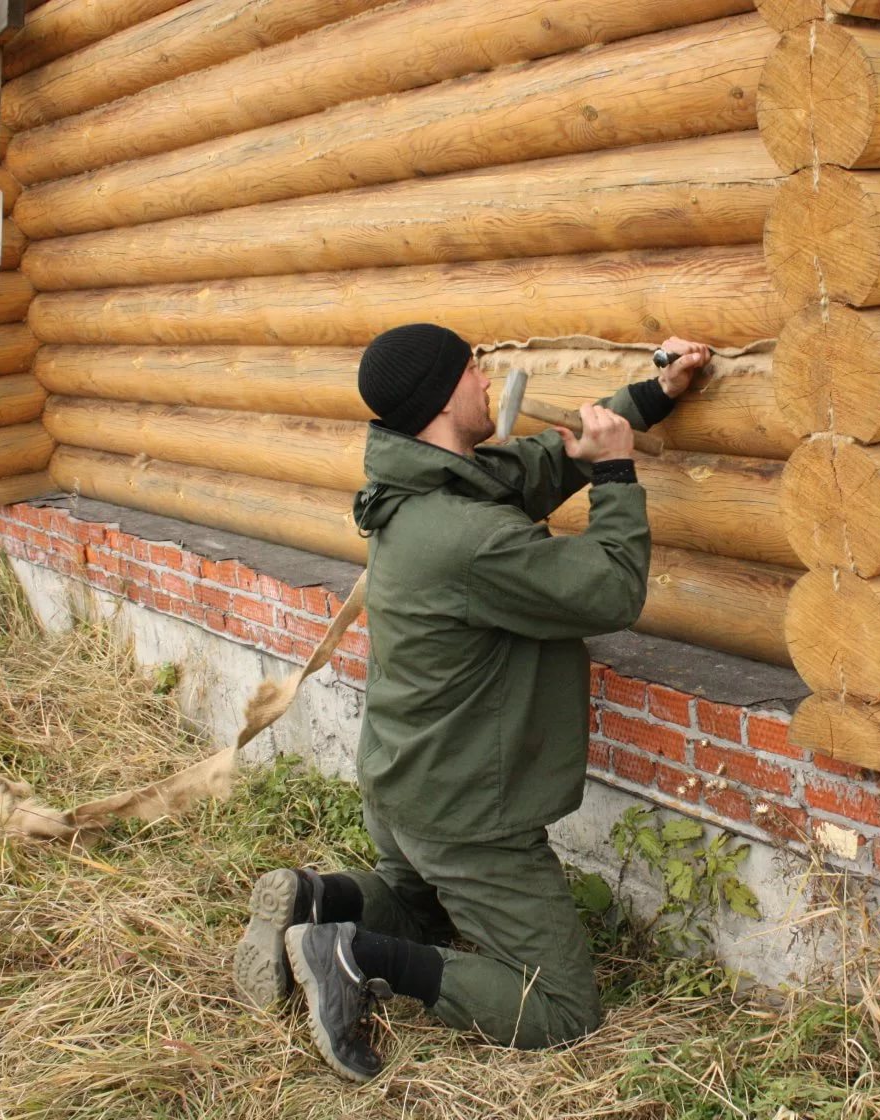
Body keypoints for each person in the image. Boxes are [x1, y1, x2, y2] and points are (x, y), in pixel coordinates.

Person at [232, 323, 711, 1080]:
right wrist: (618, 476)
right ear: (442, 395)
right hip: (465, 811)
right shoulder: (471, 538)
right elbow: (612, 588)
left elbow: (530, 466)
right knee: (559, 1007)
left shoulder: (418, 484)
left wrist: (651, 397)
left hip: (403, 783)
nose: (488, 381)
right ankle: (354, 959)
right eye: (474, 370)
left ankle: (313, 904)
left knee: (420, 907)